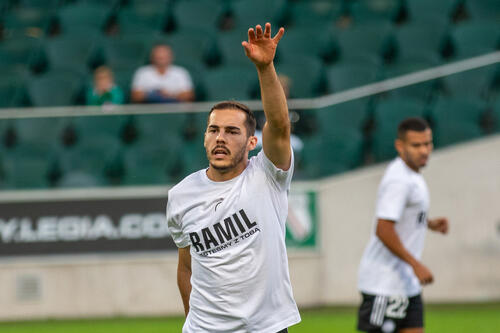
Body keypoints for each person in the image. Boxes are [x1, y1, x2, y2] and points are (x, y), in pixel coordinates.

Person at [166, 23, 301, 333]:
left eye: (231, 131)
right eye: (213, 130)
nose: (220, 138)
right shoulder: (180, 195)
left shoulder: (268, 175)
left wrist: (265, 68)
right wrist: (193, 320)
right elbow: (186, 266)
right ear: (204, 138)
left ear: (252, 142)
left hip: (267, 327)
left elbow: (279, 125)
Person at [357, 117, 450, 333]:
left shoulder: (413, 175)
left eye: (427, 143)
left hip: (407, 285)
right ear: (400, 146)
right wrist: (415, 264)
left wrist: (429, 223)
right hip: (384, 284)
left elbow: (401, 216)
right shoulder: (399, 180)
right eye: (416, 145)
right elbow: (383, 229)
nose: (424, 150)